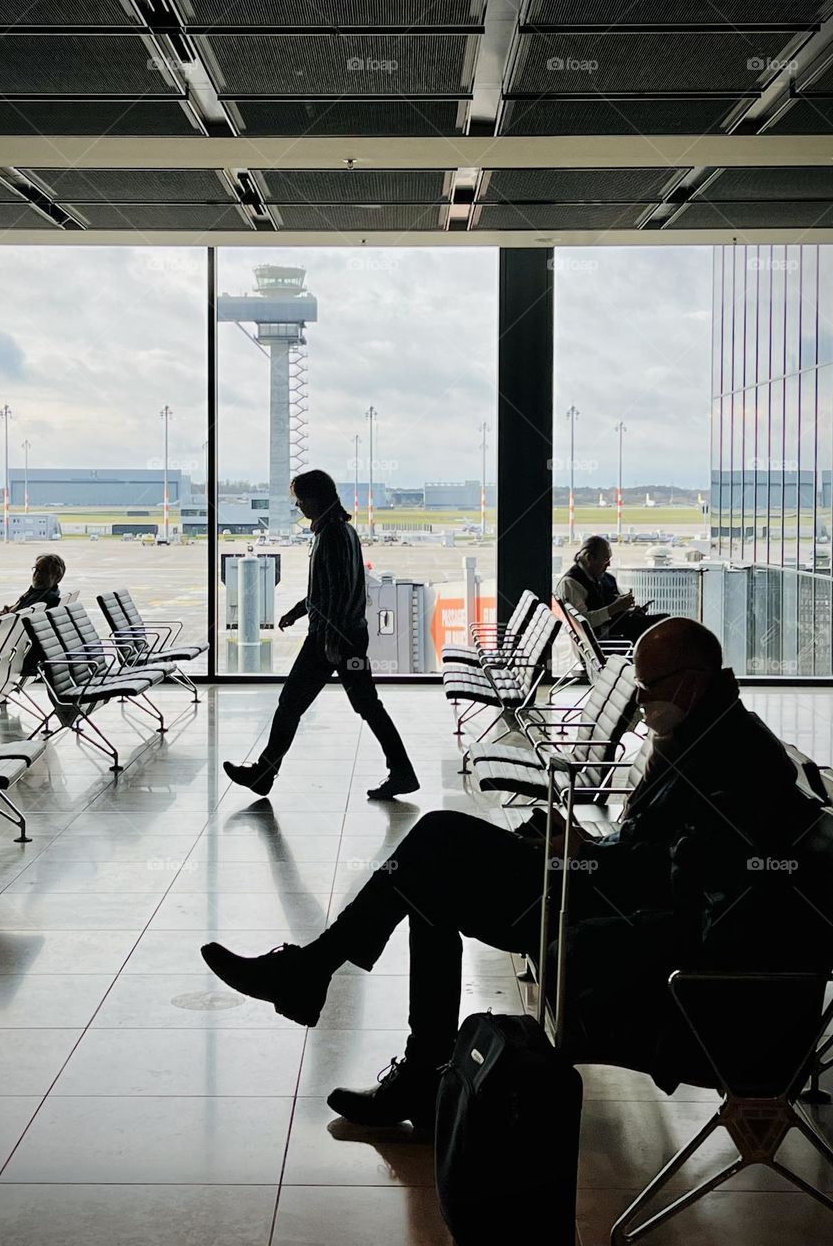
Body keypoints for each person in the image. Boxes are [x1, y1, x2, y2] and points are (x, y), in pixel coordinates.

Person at [202, 618, 831, 1126]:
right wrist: (586, 843)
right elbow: (663, 855)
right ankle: (397, 1052)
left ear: (689, 684)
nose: (641, 706)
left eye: (647, 690)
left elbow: (681, 884)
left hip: (609, 915)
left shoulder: (731, 762)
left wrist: (584, 853)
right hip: (601, 885)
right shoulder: (708, 734)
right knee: (430, 867)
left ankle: (321, 981)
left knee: (435, 847)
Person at [223, 469, 419, 801]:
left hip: (333, 639)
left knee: (293, 704)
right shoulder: (338, 531)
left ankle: (264, 773)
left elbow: (338, 592)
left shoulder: (332, 534)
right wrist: (298, 612)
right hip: (341, 635)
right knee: (362, 705)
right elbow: (324, 590)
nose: (299, 506)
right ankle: (401, 772)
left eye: (301, 498)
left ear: (317, 497)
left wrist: (330, 637)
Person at [556, 534, 663, 643]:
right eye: (606, 559)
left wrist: (630, 610)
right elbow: (581, 622)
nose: (609, 564)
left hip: (619, 629)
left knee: (665, 621)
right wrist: (614, 608)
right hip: (608, 637)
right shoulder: (571, 584)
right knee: (664, 625)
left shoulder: (606, 578)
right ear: (589, 558)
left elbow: (617, 603)